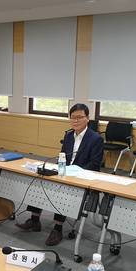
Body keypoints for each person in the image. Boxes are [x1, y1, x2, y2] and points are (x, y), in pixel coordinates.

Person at [16, 103, 104, 246]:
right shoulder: (68, 135)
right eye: (73, 117)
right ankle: (34, 219)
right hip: (64, 173)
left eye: (79, 117)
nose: (75, 120)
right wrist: (57, 169)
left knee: (63, 190)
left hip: (81, 177)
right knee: (40, 181)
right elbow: (62, 157)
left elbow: (95, 165)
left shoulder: (95, 138)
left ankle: (57, 228)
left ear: (87, 118)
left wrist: (74, 172)